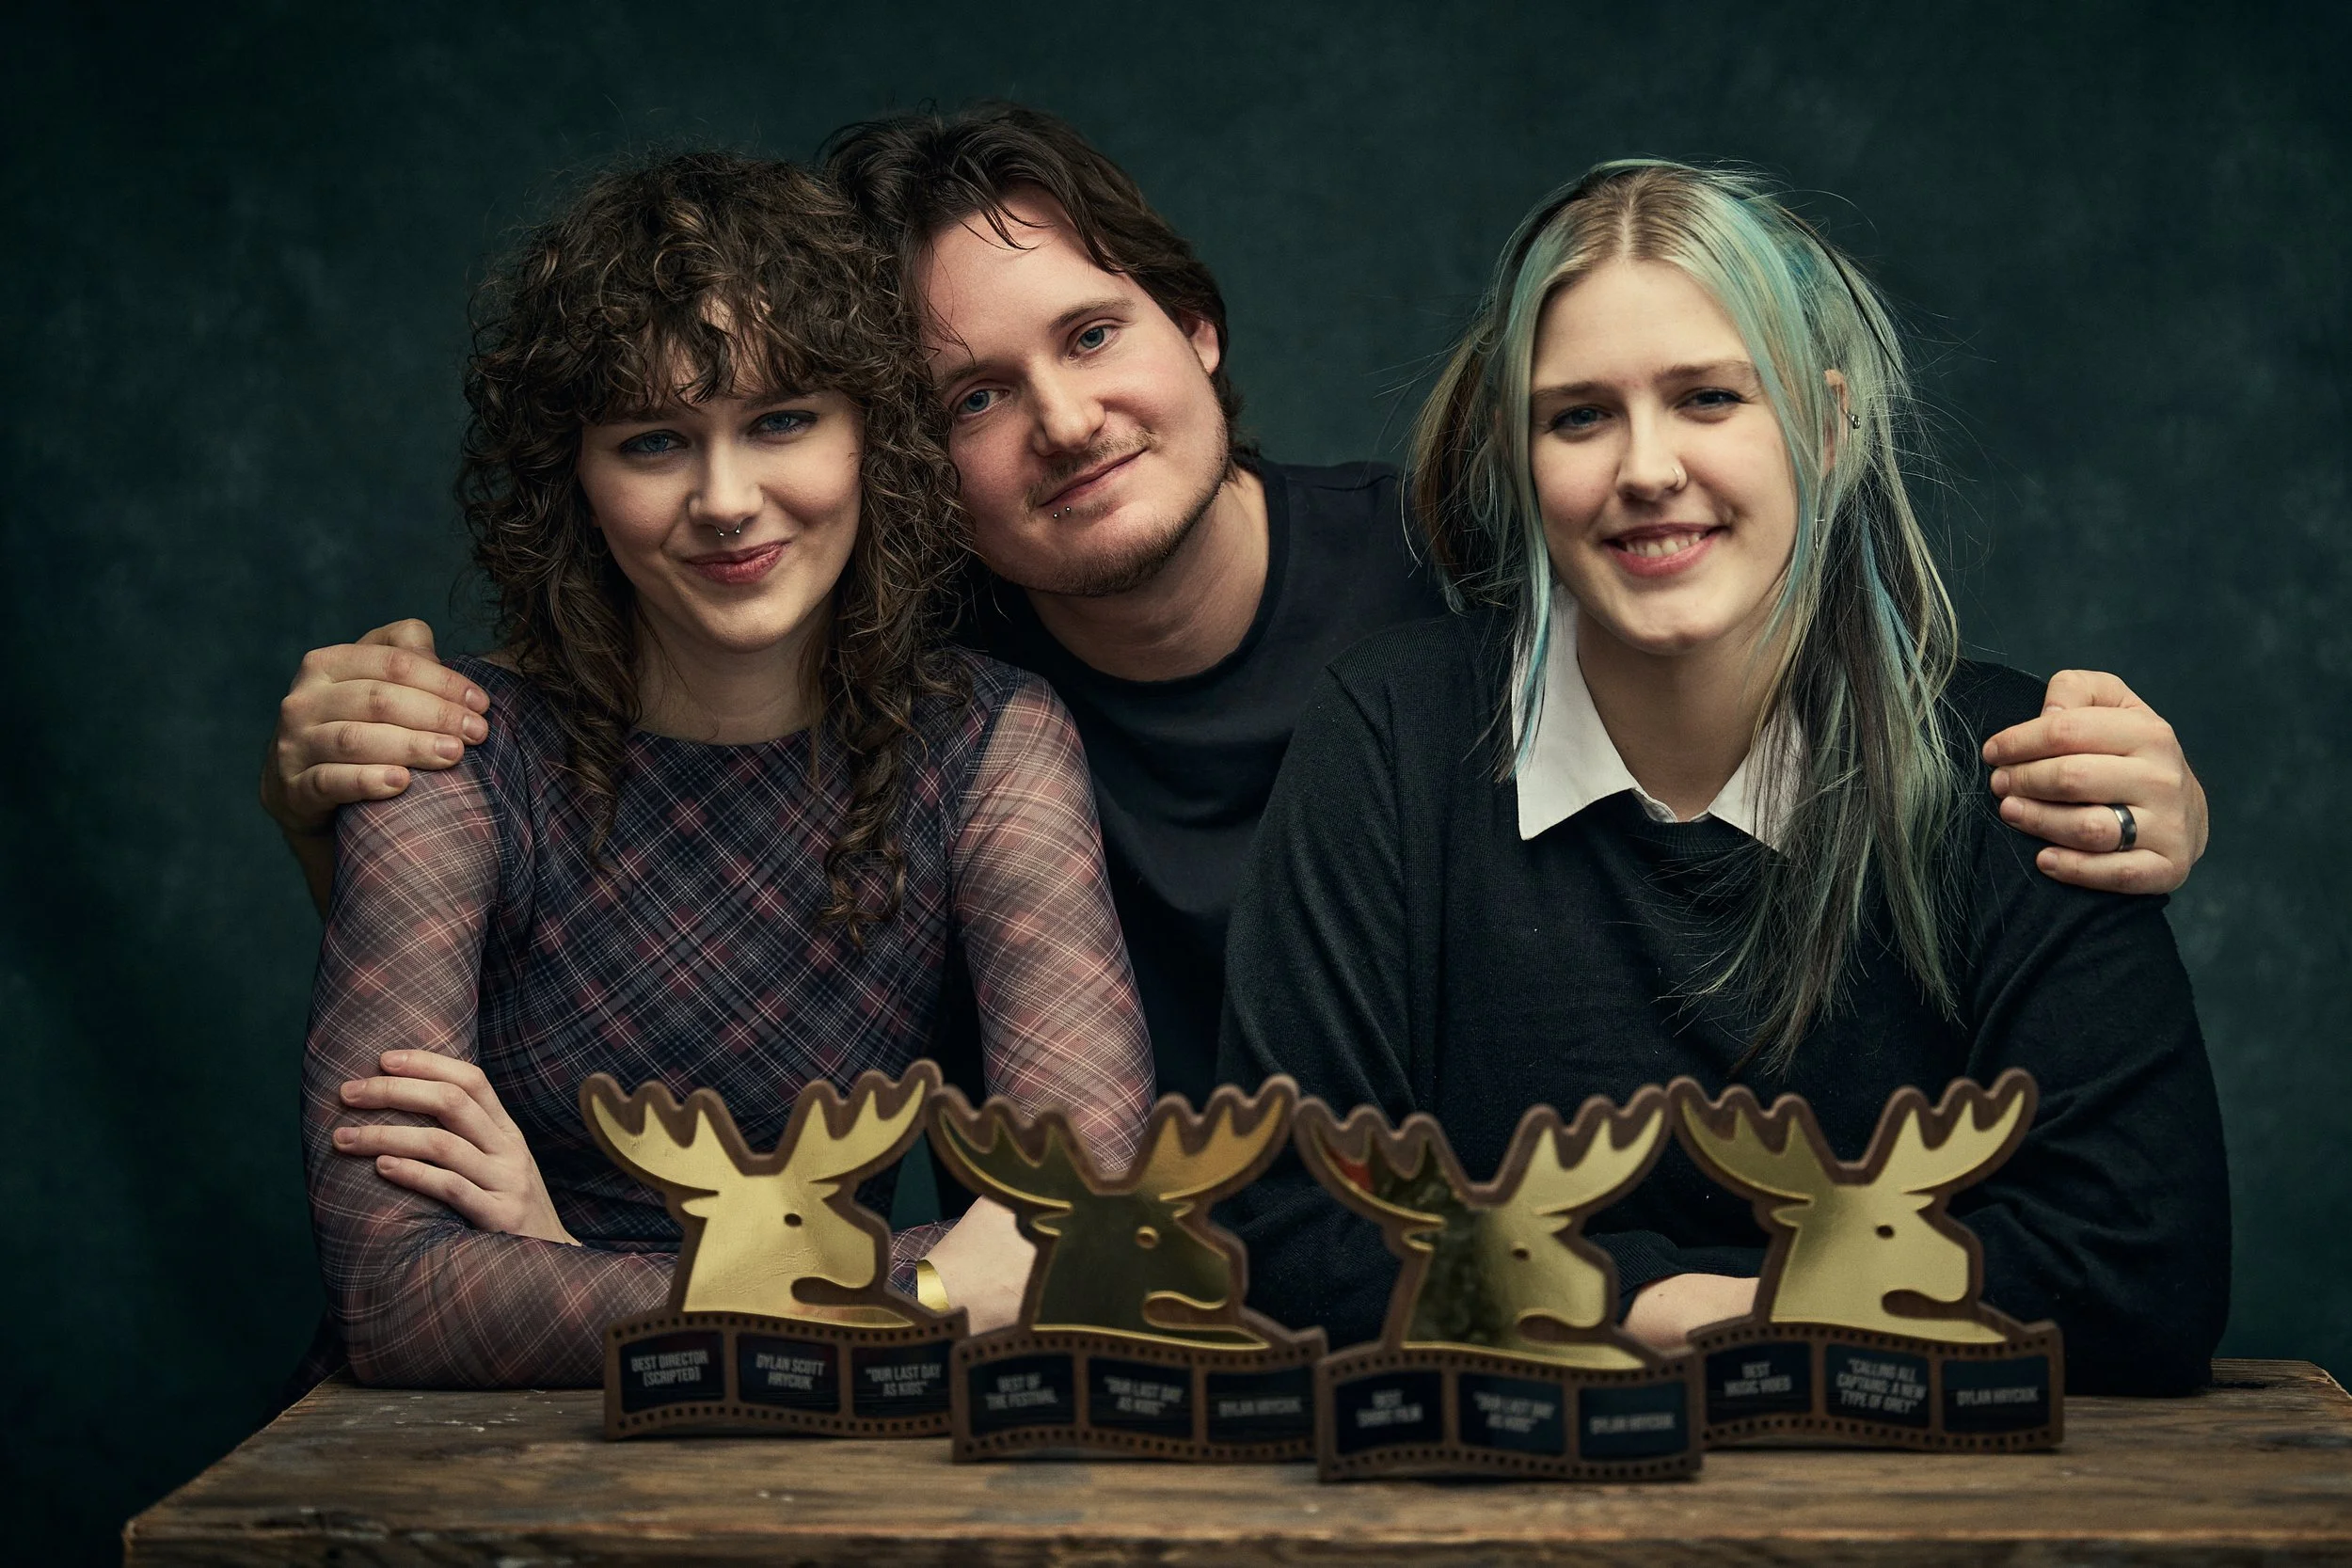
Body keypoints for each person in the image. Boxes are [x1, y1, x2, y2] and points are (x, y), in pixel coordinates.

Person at [260, 105, 2212, 1114]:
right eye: (968, 396)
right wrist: (342, 792)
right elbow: (632, 869)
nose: (1064, 419)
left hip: (1485, 1293)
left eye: (1090, 332)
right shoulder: (927, 697)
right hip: (1104, 1330)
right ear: (908, 461)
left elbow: (1761, 641)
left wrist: (2108, 789)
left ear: (1193, 323)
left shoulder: (1463, 567)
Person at [1217, 161, 2229, 1394]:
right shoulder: (1390, 735)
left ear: (1829, 427)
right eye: (1579, 416)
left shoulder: (2014, 767)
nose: (1647, 468)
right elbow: (1288, 1234)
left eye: (1708, 397)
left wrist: (1731, 1307)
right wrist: (1663, 1306)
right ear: (1521, 457)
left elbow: (2143, 1274)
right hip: (1507, 1487)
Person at [301, 151, 1151, 1387]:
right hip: (472, 1466)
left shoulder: (986, 744)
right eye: (653, 441)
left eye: (781, 422)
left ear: (873, 435)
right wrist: (912, 1289)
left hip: (813, 1441)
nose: (726, 498)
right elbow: (393, 1299)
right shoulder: (452, 756)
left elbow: (1075, 1236)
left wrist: (557, 1268)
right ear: (575, 478)